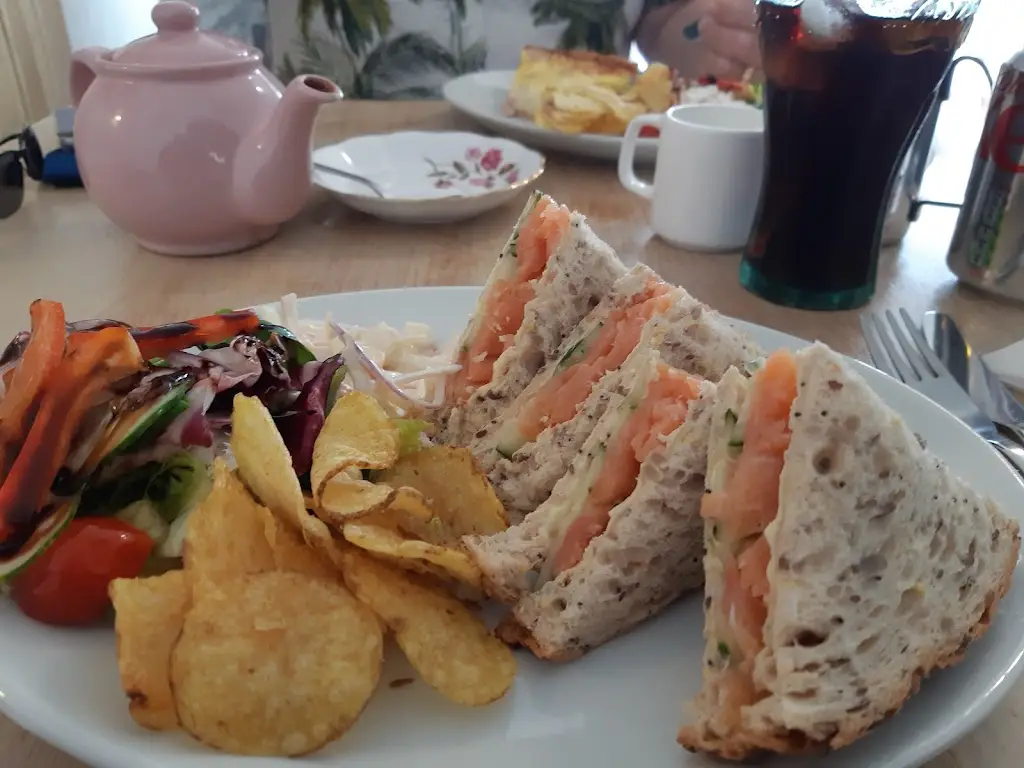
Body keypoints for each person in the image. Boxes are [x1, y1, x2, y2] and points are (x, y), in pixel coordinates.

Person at [192, 1, 761, 100]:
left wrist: (706, 36)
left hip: (591, 182)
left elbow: (668, 20)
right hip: (322, 188)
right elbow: (214, 30)